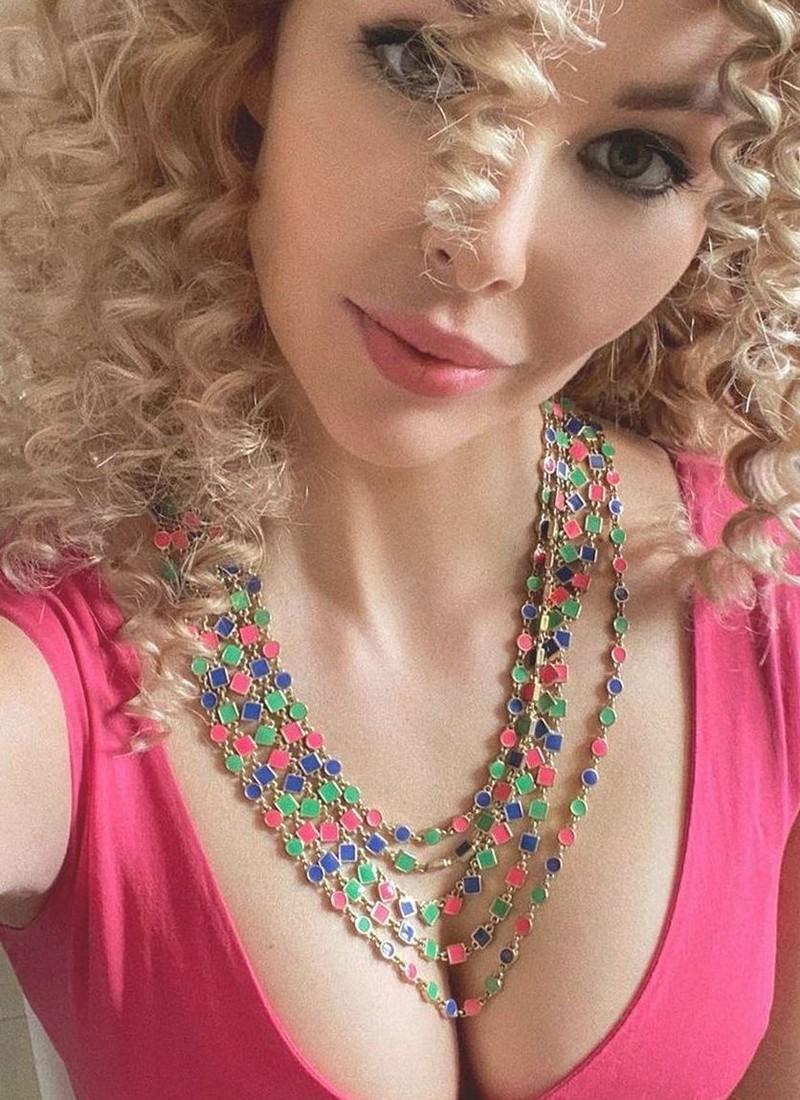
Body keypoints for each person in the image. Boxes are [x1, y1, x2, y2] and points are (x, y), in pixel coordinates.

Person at [0, 0, 799, 1097]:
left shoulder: (767, 593)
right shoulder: (44, 674)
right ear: (252, 60)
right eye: (426, 66)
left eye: (633, 158)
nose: (482, 248)